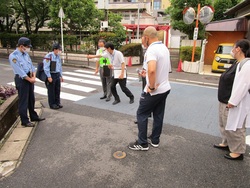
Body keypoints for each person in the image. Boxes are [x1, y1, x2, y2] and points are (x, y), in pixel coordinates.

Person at [128, 26, 171, 151]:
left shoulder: (151, 50)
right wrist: (145, 73)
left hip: (154, 91)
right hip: (165, 88)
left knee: (141, 114)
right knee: (158, 114)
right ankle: (155, 140)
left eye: (142, 37)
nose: (142, 40)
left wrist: (151, 86)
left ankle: (142, 143)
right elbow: (160, 69)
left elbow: (152, 70)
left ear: (146, 38)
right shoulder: (164, 48)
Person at [9, 37, 45, 127]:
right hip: (22, 80)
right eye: (27, 46)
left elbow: (31, 66)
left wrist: (33, 76)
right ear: (21, 46)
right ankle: (24, 120)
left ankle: (33, 116)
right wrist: (30, 79)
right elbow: (20, 71)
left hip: (30, 78)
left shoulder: (26, 55)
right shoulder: (14, 56)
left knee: (31, 99)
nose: (28, 48)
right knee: (23, 100)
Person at [224, 39, 250, 160]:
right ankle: (234, 148)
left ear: (238, 49)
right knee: (234, 124)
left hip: (241, 102)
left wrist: (233, 101)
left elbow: (243, 85)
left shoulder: (247, 64)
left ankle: (238, 152)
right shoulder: (240, 63)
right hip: (237, 101)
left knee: (239, 126)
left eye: (233, 48)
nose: (232, 51)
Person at [43, 43, 64, 109]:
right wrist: (49, 76)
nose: (60, 51)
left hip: (57, 74)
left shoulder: (58, 57)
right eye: (59, 49)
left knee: (57, 90)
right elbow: (46, 67)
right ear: (55, 49)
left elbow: (59, 67)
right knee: (51, 90)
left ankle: (57, 102)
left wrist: (61, 76)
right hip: (51, 74)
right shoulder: (49, 56)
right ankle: (52, 104)